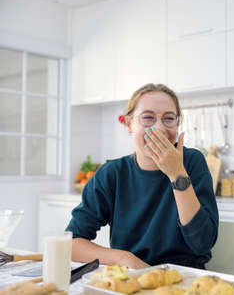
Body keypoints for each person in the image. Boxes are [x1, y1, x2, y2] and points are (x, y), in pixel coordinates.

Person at [66, 83, 219, 269]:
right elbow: (72, 243)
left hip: (185, 276)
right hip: (131, 275)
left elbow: (202, 242)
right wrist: (124, 258)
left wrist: (176, 173)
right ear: (129, 124)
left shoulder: (193, 162)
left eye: (169, 118)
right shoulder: (112, 174)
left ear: (178, 124)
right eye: (148, 118)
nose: (159, 128)